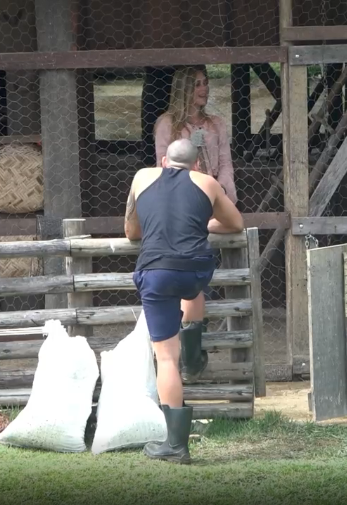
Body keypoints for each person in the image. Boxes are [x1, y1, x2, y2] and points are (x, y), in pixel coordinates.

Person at [124, 138, 244, 464]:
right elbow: (236, 223)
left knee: (164, 358)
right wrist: (200, 224)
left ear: (163, 161)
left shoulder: (141, 177)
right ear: (196, 165)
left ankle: (175, 445)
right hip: (195, 270)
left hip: (156, 273)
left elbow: (131, 231)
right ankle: (193, 358)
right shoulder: (207, 182)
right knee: (191, 291)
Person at [154, 65, 238, 205]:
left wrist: (220, 189)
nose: (204, 88)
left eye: (205, 83)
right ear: (184, 90)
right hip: (181, 197)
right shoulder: (167, 124)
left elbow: (225, 164)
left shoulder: (217, 124)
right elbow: (162, 167)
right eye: (197, 85)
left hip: (214, 194)